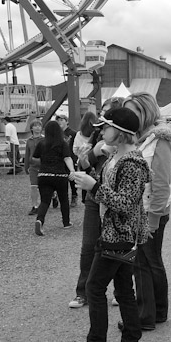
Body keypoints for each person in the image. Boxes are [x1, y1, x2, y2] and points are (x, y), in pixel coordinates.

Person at [65, 107, 150, 342]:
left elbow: (125, 203)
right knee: (123, 289)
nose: (101, 131)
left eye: (106, 127)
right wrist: (88, 177)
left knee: (94, 287)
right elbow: (111, 192)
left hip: (119, 235)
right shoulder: (116, 156)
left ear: (121, 132)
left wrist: (93, 186)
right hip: (117, 234)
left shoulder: (132, 163)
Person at [121, 92, 171, 330]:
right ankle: (156, 312)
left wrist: (153, 218)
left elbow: (161, 181)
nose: (128, 116)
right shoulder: (141, 139)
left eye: (132, 111)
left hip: (150, 210)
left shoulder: (159, 140)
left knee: (145, 262)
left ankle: (146, 315)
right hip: (142, 210)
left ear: (145, 111)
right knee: (147, 261)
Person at [68, 97, 123, 310]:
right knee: (89, 245)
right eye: (102, 112)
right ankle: (83, 292)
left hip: (115, 197)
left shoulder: (127, 139)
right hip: (94, 195)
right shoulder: (99, 134)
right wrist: (86, 158)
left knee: (120, 244)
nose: (102, 116)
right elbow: (86, 162)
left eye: (106, 112)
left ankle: (121, 290)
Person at [32, 120, 75, 236]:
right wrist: (72, 170)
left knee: (45, 201)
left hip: (44, 175)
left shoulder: (41, 143)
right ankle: (66, 222)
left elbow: (35, 158)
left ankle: (40, 220)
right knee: (64, 199)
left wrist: (44, 162)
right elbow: (67, 158)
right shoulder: (63, 143)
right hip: (60, 175)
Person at [73, 111, 99, 203]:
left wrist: (80, 152)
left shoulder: (79, 134)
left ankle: (85, 198)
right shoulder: (96, 133)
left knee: (84, 179)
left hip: (82, 160)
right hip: (95, 160)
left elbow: (74, 149)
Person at [57, 114, 79, 206]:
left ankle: (74, 196)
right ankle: (63, 198)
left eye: (62, 120)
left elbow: (76, 146)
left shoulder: (73, 133)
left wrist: (75, 159)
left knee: (72, 180)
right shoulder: (57, 133)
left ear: (67, 121)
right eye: (58, 120)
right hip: (60, 160)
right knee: (61, 180)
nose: (60, 122)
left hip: (71, 158)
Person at [23, 120, 44, 215]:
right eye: (35, 126)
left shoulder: (45, 139)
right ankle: (35, 206)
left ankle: (53, 196)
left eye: (39, 125)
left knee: (44, 186)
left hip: (44, 165)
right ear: (31, 128)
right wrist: (26, 166)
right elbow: (27, 154)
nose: (37, 127)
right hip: (33, 166)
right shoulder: (29, 141)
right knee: (34, 186)